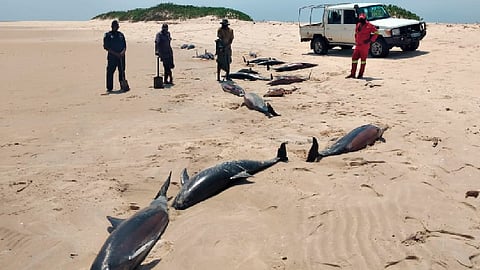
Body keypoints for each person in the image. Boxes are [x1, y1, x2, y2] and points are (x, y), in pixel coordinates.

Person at [346, 13, 379, 79]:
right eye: (360, 19)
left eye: (362, 19)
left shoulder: (369, 25)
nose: (361, 20)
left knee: (363, 61)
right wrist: (356, 40)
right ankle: (352, 74)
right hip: (358, 45)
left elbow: (376, 32)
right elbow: (356, 33)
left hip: (364, 46)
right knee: (354, 59)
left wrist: (370, 40)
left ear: (365, 19)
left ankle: (360, 74)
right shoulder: (358, 25)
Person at [103, 20, 127, 92]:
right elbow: (106, 47)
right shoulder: (108, 35)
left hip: (121, 56)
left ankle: (123, 85)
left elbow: (125, 45)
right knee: (110, 72)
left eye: (117, 26)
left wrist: (122, 52)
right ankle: (109, 87)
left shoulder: (121, 35)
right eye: (115, 26)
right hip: (112, 57)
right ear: (112, 26)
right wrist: (115, 54)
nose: (116, 27)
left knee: (122, 71)